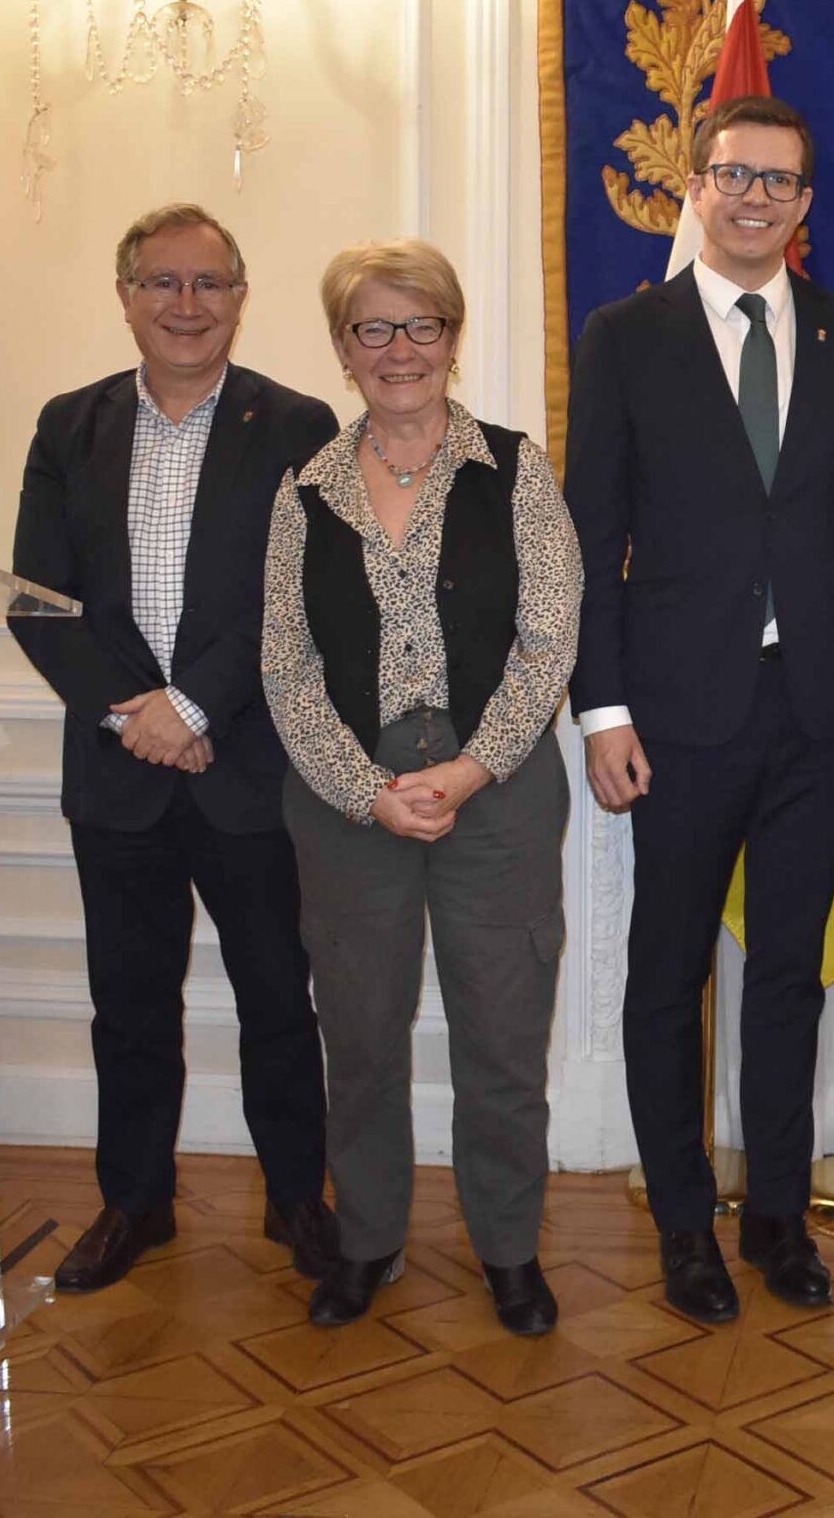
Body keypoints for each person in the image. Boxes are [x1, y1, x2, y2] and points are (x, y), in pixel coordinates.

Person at [565, 94, 834, 1324]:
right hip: (672, 714)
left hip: (818, 711)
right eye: (733, 175)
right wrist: (601, 709)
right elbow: (594, 533)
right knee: (667, 974)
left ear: (808, 204)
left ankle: (777, 1218)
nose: (754, 197)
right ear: (698, 183)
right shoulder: (628, 334)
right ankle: (685, 1224)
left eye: (779, 181)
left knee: (788, 974)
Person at [9, 202, 337, 1294]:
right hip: (116, 773)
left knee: (278, 1000)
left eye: (208, 284)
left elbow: (302, 597)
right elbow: (38, 604)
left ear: (242, 297)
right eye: (162, 283)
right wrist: (134, 715)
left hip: (246, 766)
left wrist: (191, 708)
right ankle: (134, 1203)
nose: (185, 305)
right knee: (130, 1005)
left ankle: (298, 1197)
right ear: (125, 297)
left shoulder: (297, 424)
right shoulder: (68, 426)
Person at [262, 239, 580, 1334]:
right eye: (372, 329)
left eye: (421, 326)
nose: (399, 351)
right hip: (347, 799)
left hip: (495, 787)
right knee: (359, 1034)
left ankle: (507, 1251)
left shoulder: (516, 467)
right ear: (343, 349)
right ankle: (367, 1241)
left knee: (500, 1034)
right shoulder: (301, 492)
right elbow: (286, 666)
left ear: (451, 338)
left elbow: (548, 641)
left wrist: (464, 767)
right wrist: (366, 790)